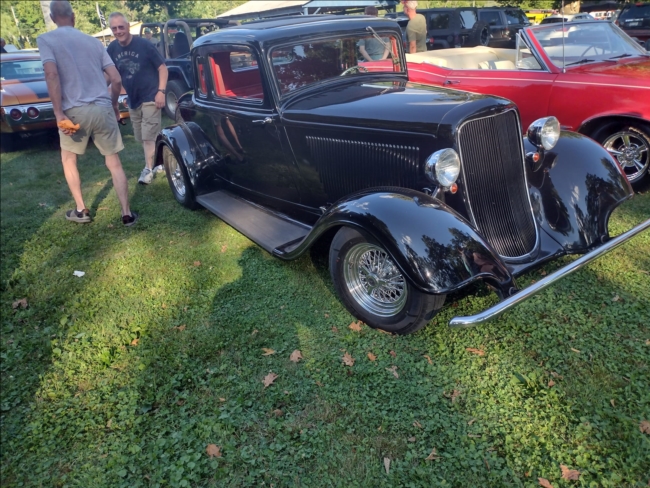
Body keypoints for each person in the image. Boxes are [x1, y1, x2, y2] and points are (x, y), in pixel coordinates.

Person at [37, 0, 137, 226]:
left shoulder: (46, 40)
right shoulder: (94, 42)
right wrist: (113, 104)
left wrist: (58, 113)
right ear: (73, 17)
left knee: (69, 159)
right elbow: (116, 79)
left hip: (73, 111)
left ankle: (82, 210)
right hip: (102, 108)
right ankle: (126, 214)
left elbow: (51, 75)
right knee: (114, 162)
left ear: (52, 18)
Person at [107, 12, 168, 185]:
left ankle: (148, 169)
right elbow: (110, 75)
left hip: (151, 95)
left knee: (148, 137)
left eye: (121, 27)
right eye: (114, 28)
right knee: (143, 136)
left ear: (128, 26)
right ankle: (159, 161)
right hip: (133, 99)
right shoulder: (112, 49)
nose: (118, 31)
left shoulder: (144, 45)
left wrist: (161, 91)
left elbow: (163, 68)